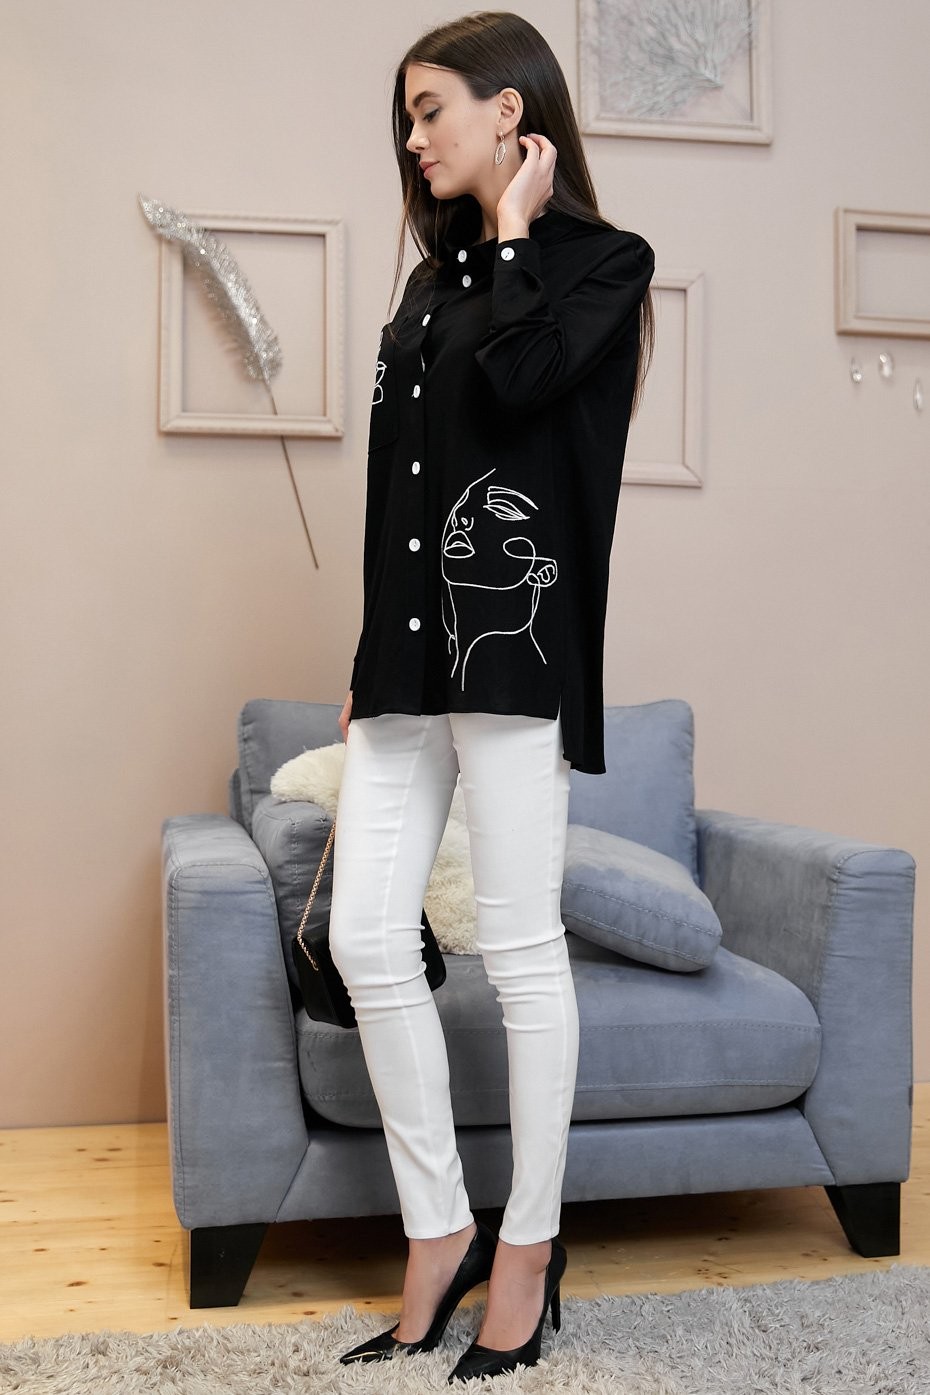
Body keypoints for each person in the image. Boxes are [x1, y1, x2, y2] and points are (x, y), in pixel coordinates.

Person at [328, 10, 655, 1383]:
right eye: (405, 119)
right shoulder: (428, 282)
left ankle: (527, 1246)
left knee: (522, 955)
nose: (414, 140)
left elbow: (524, 387)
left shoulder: (602, 265)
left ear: (509, 111)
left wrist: (517, 232)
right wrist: (365, 667)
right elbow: (395, 485)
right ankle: (438, 1228)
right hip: (406, 660)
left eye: (431, 111)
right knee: (364, 936)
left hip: (514, 652)